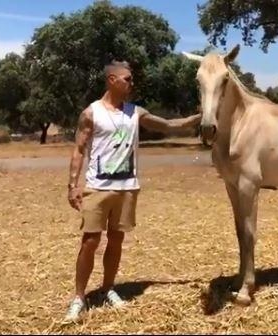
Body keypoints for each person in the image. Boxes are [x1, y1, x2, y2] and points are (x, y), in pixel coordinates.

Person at [64, 60, 201, 322]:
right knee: (90, 241)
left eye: (131, 79)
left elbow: (168, 125)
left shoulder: (135, 112)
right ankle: (79, 297)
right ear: (111, 80)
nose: (132, 83)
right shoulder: (91, 113)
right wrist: (73, 185)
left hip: (127, 188)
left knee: (116, 240)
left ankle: (108, 288)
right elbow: (79, 149)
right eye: (127, 79)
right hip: (97, 187)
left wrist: (198, 118)